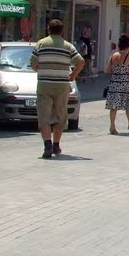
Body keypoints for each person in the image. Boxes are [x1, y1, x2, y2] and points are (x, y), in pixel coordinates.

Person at [29, 18, 84, 159]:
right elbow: (81, 61)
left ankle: (47, 144)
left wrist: (40, 69)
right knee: (60, 115)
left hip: (44, 84)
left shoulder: (41, 44)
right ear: (62, 31)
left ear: (48, 29)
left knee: (44, 115)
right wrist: (73, 75)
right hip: (62, 85)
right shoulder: (68, 46)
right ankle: (56, 145)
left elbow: (33, 64)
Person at [105, 34, 129, 135]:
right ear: (128, 46)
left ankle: (112, 126)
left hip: (114, 83)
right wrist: (128, 72)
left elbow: (108, 70)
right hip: (125, 83)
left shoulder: (113, 56)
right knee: (128, 106)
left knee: (113, 106)